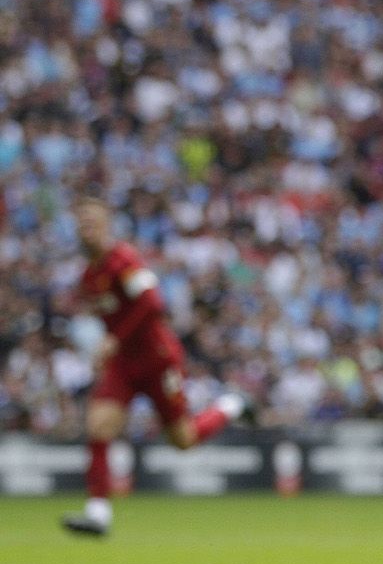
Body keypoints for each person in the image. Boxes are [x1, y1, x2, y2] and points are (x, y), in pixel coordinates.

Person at [60, 194, 251, 538]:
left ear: (106, 225)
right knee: (98, 426)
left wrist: (115, 338)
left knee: (183, 439)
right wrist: (110, 349)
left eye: (92, 221)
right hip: (123, 364)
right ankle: (98, 513)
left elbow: (152, 303)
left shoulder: (124, 260)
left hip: (158, 360)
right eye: (81, 222)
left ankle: (232, 404)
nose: (86, 228)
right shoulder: (89, 275)